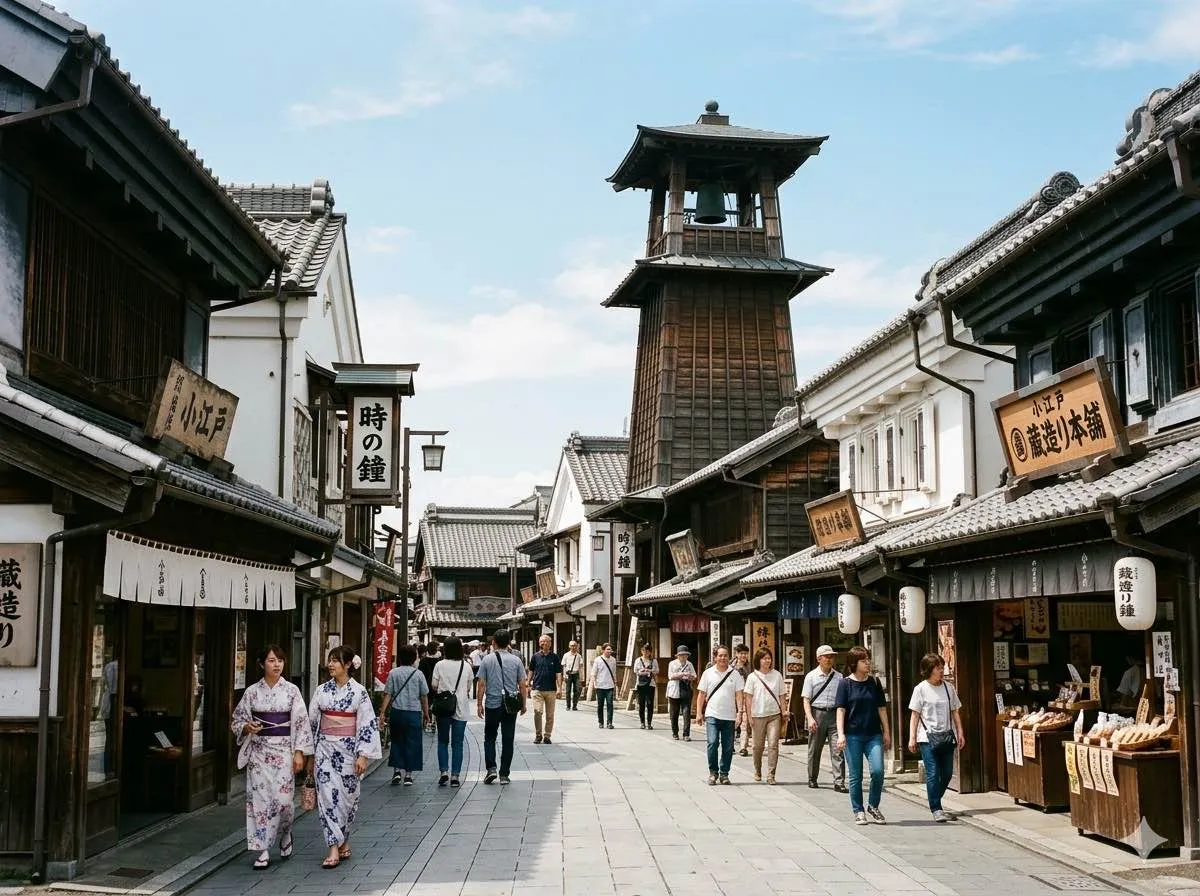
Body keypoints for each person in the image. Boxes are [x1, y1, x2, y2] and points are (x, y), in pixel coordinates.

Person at [231, 645, 313, 870]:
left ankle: (286, 832)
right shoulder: (251, 692)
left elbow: (301, 723)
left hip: (284, 752)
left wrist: (299, 753)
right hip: (259, 754)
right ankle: (263, 849)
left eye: (280, 660)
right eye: (271, 660)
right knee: (259, 804)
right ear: (261, 664)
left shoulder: (291, 691)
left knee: (284, 802)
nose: (276, 664)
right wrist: (247, 727)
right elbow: (237, 720)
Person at [307, 646, 382, 869]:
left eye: (336, 661)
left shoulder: (359, 692)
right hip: (325, 750)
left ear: (348, 664)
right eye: (330, 660)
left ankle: (344, 840)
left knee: (349, 800)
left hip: (349, 752)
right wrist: (308, 753)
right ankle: (332, 847)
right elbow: (312, 723)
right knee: (327, 799)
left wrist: (363, 755)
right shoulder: (321, 690)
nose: (331, 664)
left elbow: (367, 723)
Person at [835, 646, 891, 826]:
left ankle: (873, 805)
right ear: (854, 663)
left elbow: (881, 708)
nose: (868, 663)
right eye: (863, 660)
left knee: (878, 771)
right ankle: (858, 810)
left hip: (873, 734)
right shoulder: (845, 684)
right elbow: (841, 710)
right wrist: (841, 734)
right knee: (855, 775)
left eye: (868, 659)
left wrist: (887, 731)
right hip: (853, 736)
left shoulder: (874, 683)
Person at [907, 652, 965, 823]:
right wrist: (912, 737)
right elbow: (915, 715)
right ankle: (936, 808)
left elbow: (955, 711)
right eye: (938, 668)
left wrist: (960, 732)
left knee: (947, 773)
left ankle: (934, 799)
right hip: (926, 737)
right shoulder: (921, 689)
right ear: (929, 670)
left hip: (946, 735)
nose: (942, 671)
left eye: (942, 667)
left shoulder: (948, 688)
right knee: (933, 773)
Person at [476, 629, 527, 784]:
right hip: (510, 705)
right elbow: (522, 684)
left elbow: (481, 684)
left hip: (492, 704)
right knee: (508, 739)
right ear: (509, 643)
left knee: (490, 737)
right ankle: (504, 774)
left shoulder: (487, 660)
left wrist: (479, 704)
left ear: (494, 643)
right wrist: (523, 704)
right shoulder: (516, 660)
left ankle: (491, 768)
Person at [380, 644, 429, 786]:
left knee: (397, 741)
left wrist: (382, 712)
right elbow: (424, 696)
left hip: (397, 711)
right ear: (414, 658)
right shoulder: (418, 674)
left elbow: (388, 694)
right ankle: (408, 774)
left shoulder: (393, 673)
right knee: (413, 743)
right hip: (413, 712)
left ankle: (396, 771)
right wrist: (426, 713)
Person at [697, 645, 744, 785]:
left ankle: (724, 773)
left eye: (725, 655)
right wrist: (699, 713)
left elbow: (739, 695)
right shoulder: (708, 673)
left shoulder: (734, 674)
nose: (723, 658)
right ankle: (713, 772)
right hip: (712, 714)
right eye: (720, 655)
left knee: (728, 746)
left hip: (729, 716)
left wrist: (740, 713)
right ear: (715, 657)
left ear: (729, 657)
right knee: (712, 743)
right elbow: (701, 694)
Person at [802, 644, 846, 792]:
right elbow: (806, 699)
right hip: (817, 713)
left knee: (837, 749)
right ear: (818, 659)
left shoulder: (839, 677)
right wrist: (810, 718)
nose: (829, 659)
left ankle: (839, 782)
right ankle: (812, 778)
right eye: (826, 656)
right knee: (814, 748)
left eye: (831, 656)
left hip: (834, 714)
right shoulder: (811, 676)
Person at [743, 648, 788, 784]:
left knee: (773, 745)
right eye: (764, 658)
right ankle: (757, 770)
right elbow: (748, 698)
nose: (767, 660)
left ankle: (771, 775)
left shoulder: (777, 675)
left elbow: (782, 695)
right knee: (758, 746)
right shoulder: (752, 677)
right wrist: (749, 716)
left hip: (774, 715)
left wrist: (784, 711)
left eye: (769, 658)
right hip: (758, 715)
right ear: (759, 660)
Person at [432, 636, 473, 788]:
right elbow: (469, 687)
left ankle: (444, 772)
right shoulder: (466, 665)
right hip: (461, 707)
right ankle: (455, 776)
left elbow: (434, 685)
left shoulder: (439, 665)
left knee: (442, 741)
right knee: (458, 743)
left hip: (443, 707)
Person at [528, 634, 562, 744]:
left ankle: (547, 736)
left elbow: (558, 673)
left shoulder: (555, 657)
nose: (544, 643)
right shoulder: (535, 656)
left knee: (550, 715)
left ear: (550, 643)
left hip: (551, 690)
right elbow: (531, 670)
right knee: (537, 712)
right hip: (537, 689)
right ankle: (538, 735)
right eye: (542, 641)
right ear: (539, 643)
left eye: (546, 641)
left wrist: (559, 688)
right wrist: (528, 682)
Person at [667, 645, 697, 741]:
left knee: (686, 712)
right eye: (681, 655)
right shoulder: (672, 664)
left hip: (686, 689)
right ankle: (675, 732)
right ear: (677, 656)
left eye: (685, 655)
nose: (683, 657)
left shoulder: (689, 664)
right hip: (674, 690)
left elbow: (694, 675)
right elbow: (670, 676)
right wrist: (682, 674)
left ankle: (686, 734)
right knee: (674, 713)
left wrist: (690, 676)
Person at [733, 643, 754, 756]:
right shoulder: (730, 667)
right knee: (732, 722)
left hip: (746, 697)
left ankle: (743, 747)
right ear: (736, 654)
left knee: (745, 723)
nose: (744, 656)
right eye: (741, 653)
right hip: (732, 698)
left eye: (745, 653)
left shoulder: (751, 667)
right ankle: (730, 745)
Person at [593, 643, 618, 729]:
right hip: (600, 685)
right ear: (603, 650)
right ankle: (601, 722)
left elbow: (614, 672)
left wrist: (615, 682)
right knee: (600, 705)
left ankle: (609, 722)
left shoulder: (613, 660)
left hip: (610, 685)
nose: (609, 651)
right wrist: (594, 684)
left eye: (610, 649)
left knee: (610, 704)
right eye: (607, 649)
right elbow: (594, 673)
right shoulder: (598, 660)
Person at [633, 643, 657, 730]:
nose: (645, 653)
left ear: (650, 652)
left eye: (647, 651)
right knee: (641, 703)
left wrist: (649, 670)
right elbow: (635, 671)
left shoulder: (653, 661)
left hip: (651, 684)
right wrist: (642, 671)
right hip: (640, 684)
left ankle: (649, 723)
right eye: (643, 650)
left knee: (650, 704)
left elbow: (657, 670)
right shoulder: (638, 660)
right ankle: (642, 722)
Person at [418, 644, 440, 732]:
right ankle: (434, 723)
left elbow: (420, 675)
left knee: (426, 704)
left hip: (425, 686)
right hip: (437, 687)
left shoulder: (423, 661)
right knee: (435, 705)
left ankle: (427, 722)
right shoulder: (439, 662)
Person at [562, 641, 584, 710]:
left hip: (576, 674)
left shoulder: (579, 656)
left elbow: (581, 667)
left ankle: (574, 705)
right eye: (571, 645)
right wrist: (564, 675)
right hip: (568, 674)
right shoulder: (566, 655)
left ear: (577, 646)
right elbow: (564, 666)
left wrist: (581, 677)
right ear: (569, 646)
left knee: (577, 690)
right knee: (568, 691)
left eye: (574, 645)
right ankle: (568, 706)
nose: (573, 647)